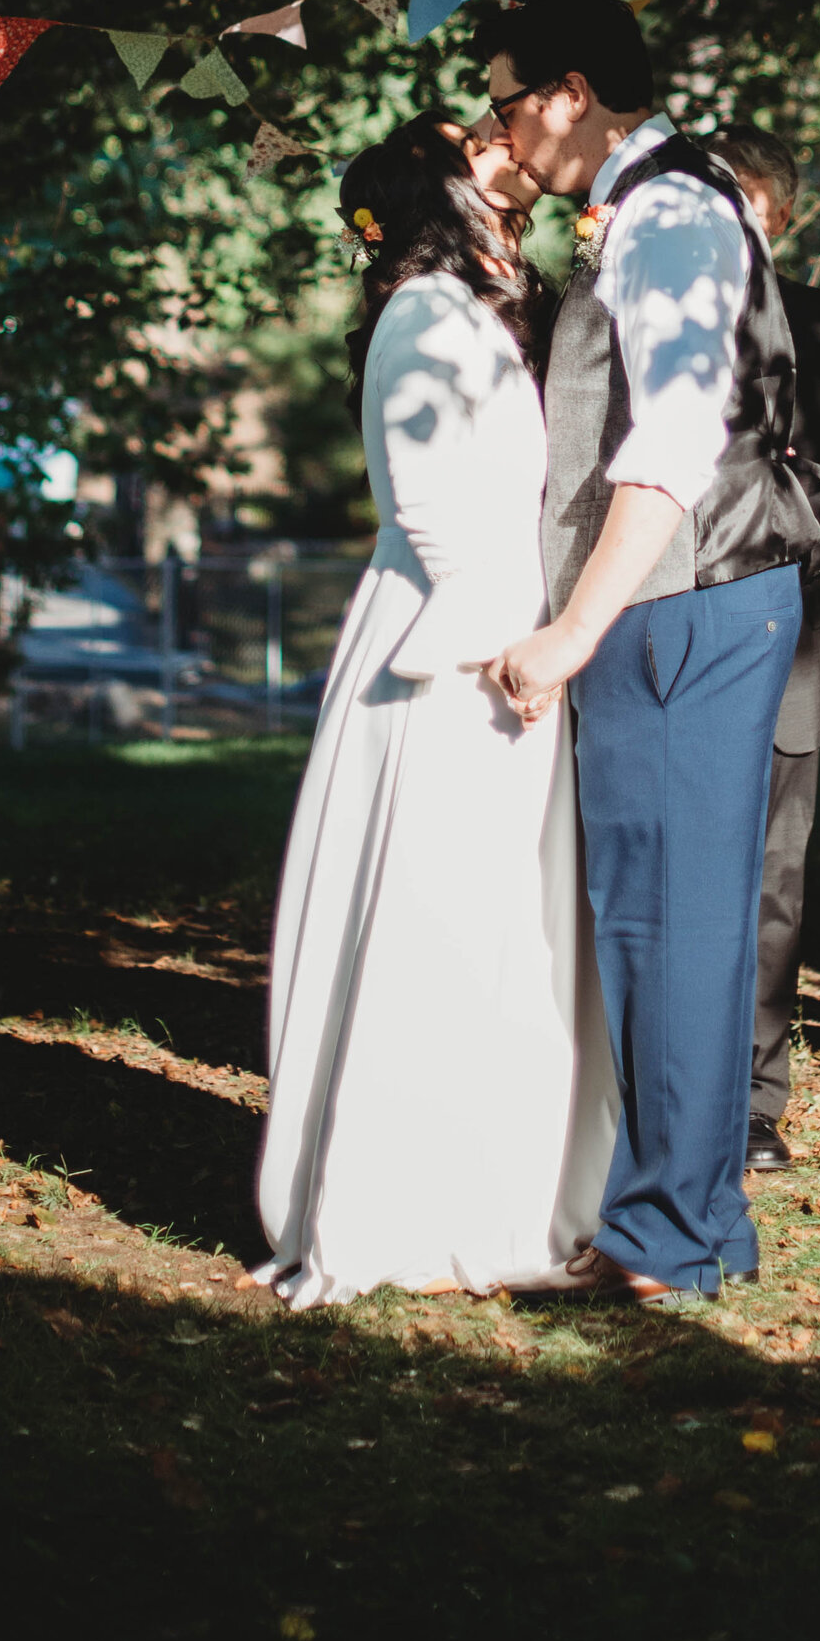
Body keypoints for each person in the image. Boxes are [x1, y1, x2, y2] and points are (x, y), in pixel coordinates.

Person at [482, 0, 820, 1302]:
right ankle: (696, 1222)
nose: (503, 133)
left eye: (508, 103)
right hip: (689, 600)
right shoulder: (663, 200)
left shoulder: (671, 210)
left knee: (666, 920)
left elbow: (671, 449)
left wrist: (572, 630)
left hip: (675, 600)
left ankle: (667, 1238)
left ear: (569, 89)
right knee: (676, 921)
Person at [257, 112, 617, 1305]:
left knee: (506, 923)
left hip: (504, 642)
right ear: (438, 191)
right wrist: (493, 646)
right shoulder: (423, 311)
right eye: (473, 140)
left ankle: (499, 1187)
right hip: (452, 656)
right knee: (443, 910)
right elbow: (427, 499)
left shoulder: (483, 307)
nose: (498, 139)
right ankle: (406, 1203)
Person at [701, 122, 820, 1173]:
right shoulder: (634, 310)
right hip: (639, 640)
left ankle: (751, 1102)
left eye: (733, 196)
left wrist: (753, 529)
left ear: (776, 212)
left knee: (772, 878)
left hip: (783, 639)